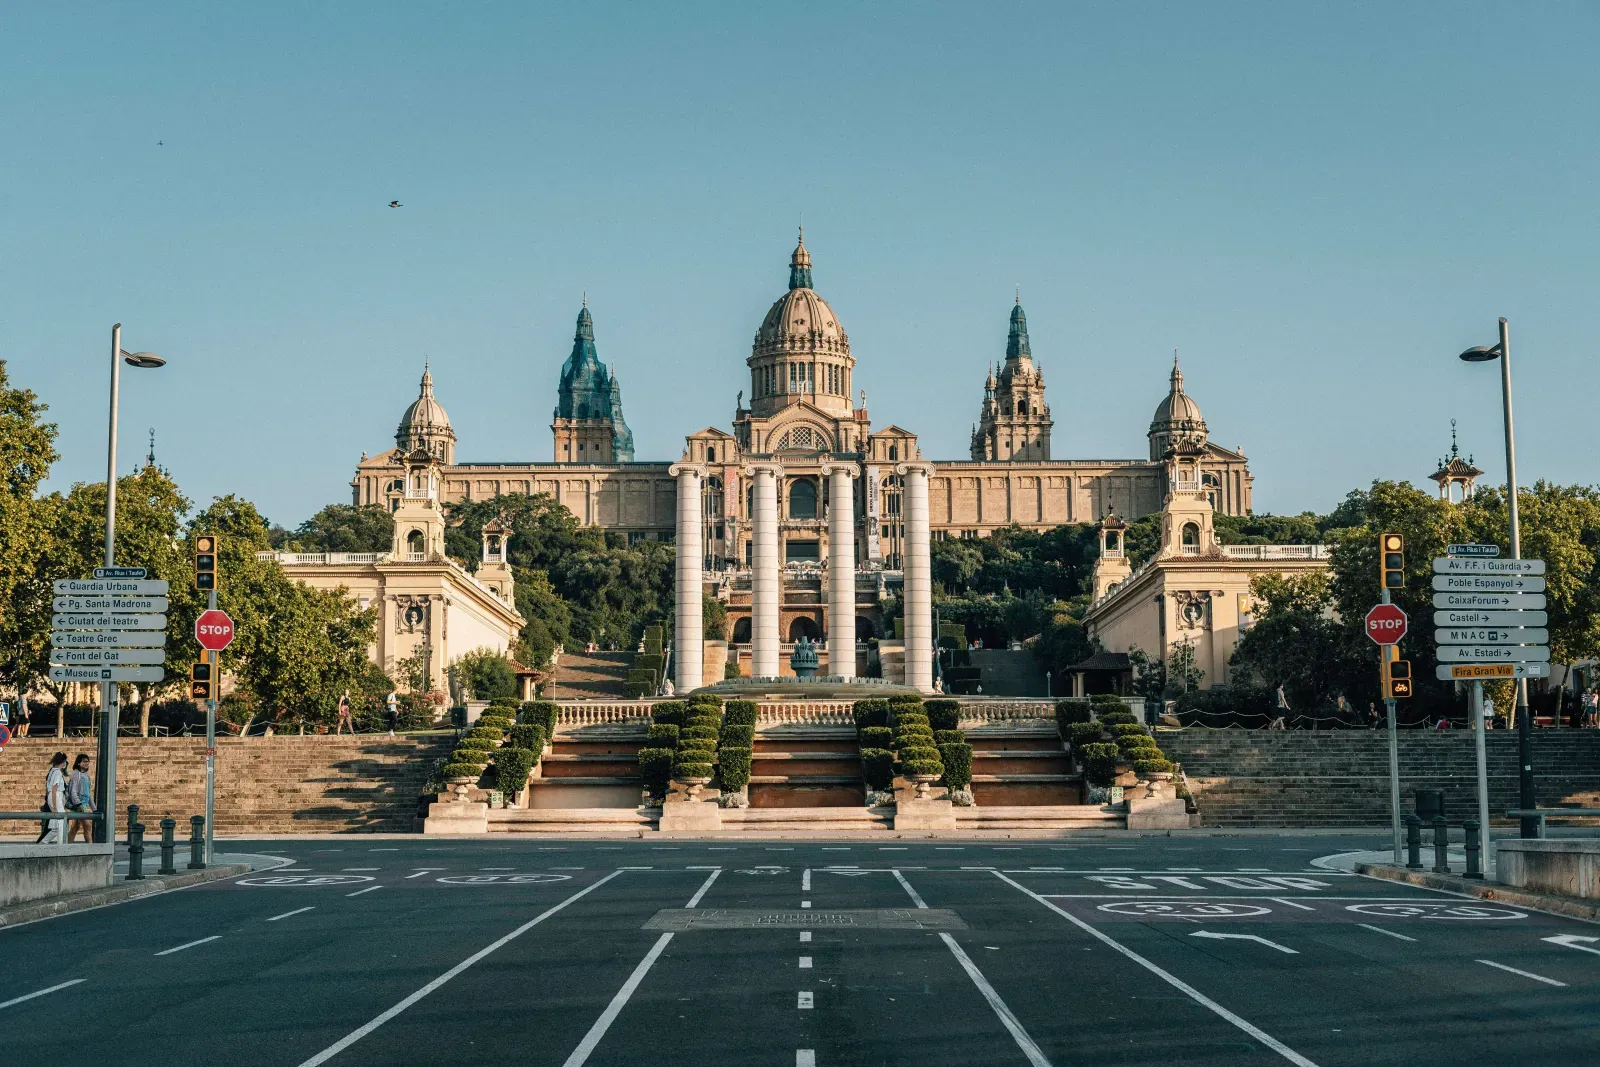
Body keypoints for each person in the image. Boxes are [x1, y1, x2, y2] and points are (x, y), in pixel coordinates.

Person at [35, 752, 68, 844]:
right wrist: (55, 807)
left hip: (53, 797)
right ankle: (61, 846)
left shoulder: (52, 771)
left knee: (55, 827)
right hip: (56, 796)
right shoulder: (57, 772)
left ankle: (43, 843)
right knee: (61, 822)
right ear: (63, 761)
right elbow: (54, 789)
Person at [65, 753, 96, 842]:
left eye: (88, 761)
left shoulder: (86, 776)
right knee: (88, 825)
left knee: (75, 828)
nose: (87, 763)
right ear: (79, 763)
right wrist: (79, 804)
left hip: (84, 804)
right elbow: (73, 792)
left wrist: (94, 809)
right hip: (79, 805)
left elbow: (88, 794)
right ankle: (90, 849)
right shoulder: (76, 774)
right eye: (84, 761)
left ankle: (66, 847)